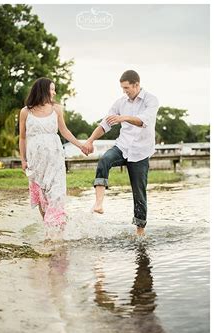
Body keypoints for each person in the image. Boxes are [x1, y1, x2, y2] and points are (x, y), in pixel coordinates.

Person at [82, 70, 159, 236]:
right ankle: (98, 204)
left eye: (127, 88)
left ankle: (140, 231)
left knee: (139, 193)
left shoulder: (151, 100)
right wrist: (90, 140)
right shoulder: (120, 102)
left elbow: (142, 121)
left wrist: (123, 118)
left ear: (136, 84)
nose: (124, 91)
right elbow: (105, 124)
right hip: (123, 146)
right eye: (122, 88)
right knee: (105, 160)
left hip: (141, 152)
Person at [19, 77, 89, 231]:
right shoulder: (25, 111)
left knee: (56, 194)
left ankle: (58, 231)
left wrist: (81, 145)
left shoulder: (57, 109)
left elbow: (64, 131)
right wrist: (23, 159)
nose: (54, 92)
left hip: (55, 158)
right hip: (35, 161)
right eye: (51, 89)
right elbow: (22, 137)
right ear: (42, 90)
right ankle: (49, 228)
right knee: (42, 196)